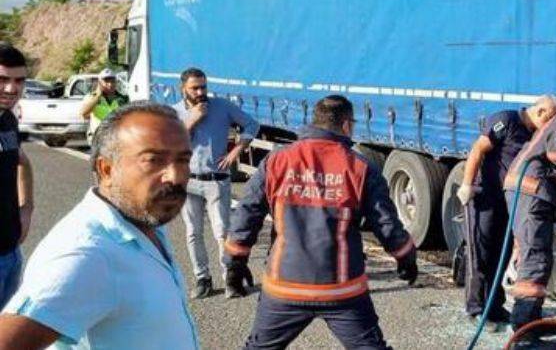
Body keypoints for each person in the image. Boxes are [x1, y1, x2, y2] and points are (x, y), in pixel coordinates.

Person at [223, 95, 418, 350]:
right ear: (347, 126)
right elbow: (386, 223)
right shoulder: (360, 167)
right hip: (342, 290)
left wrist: (235, 263)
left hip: (284, 287)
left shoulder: (276, 161)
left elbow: (247, 213)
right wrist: (406, 258)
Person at [0, 102, 198, 349]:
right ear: (106, 169)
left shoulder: (144, 222)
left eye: (183, 160)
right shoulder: (87, 253)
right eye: (153, 160)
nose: (176, 176)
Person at [456, 96, 556, 329]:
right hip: (484, 198)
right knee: (480, 255)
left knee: (499, 256)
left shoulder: (532, 136)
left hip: (508, 202)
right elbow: (478, 149)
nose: (550, 124)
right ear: (542, 111)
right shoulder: (506, 120)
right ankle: (476, 309)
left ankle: (494, 306)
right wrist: (467, 184)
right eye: (551, 118)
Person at [174, 67, 260, 299]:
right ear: (183, 89)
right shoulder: (174, 113)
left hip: (217, 180)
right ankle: (203, 279)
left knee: (222, 232)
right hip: (188, 181)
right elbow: (170, 142)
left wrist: (236, 151)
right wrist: (193, 120)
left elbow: (252, 125)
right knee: (193, 232)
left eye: (203, 86)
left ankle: (230, 278)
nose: (201, 91)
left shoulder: (222, 106)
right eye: (195, 88)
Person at [504, 106, 556, 336]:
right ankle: (524, 332)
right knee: (535, 260)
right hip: (531, 190)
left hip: (527, 190)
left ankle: (532, 321)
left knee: (539, 257)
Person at [0, 45, 34, 308]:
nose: (12, 89)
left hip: (10, 250)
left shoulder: (8, 120)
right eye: (2, 80)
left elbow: (22, 161)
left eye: (19, 80)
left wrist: (26, 208)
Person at [80, 68, 129, 145]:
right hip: (98, 137)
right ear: (100, 82)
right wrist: (97, 96)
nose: (110, 84)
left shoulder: (123, 99)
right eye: (106, 81)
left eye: (112, 81)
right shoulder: (91, 97)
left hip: (116, 137)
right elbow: (83, 114)